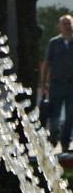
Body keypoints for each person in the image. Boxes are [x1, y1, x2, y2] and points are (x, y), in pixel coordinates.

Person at [42, 14, 73, 152]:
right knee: (55, 115)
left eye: (69, 23)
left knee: (71, 115)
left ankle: (66, 142)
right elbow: (47, 63)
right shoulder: (54, 43)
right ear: (59, 26)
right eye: (64, 23)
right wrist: (43, 82)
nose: (67, 26)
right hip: (56, 84)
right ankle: (53, 137)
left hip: (71, 84)